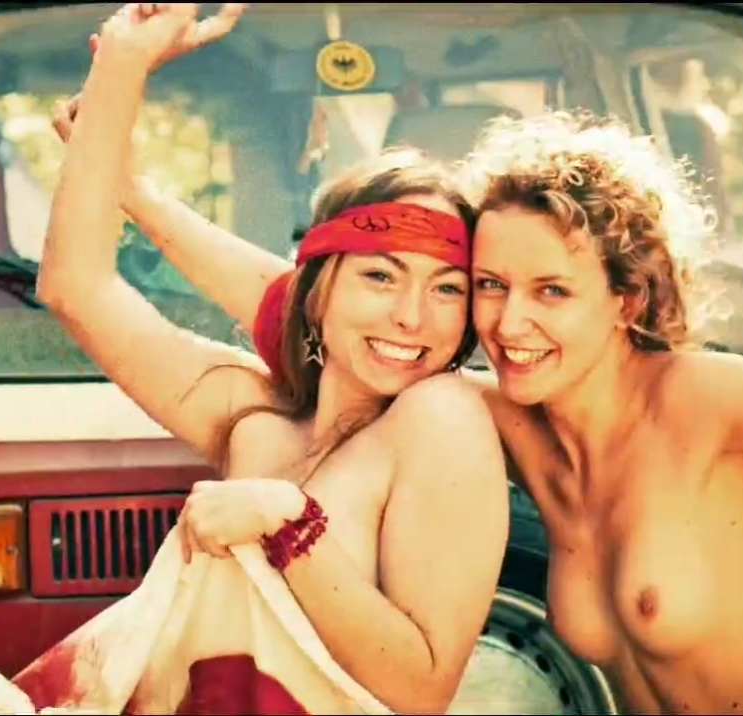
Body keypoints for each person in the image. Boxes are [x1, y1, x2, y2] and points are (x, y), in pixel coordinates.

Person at [38, 4, 509, 713]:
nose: (412, 316)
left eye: (447, 289)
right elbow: (76, 289)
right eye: (379, 277)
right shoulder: (253, 418)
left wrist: (289, 523)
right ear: (317, 294)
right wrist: (121, 65)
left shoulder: (442, 418)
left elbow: (419, 690)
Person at [462, 111, 743, 714]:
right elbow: (338, 336)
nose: (508, 324)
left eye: (552, 290)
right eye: (490, 285)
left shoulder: (701, 395)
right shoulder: (515, 428)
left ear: (627, 300)